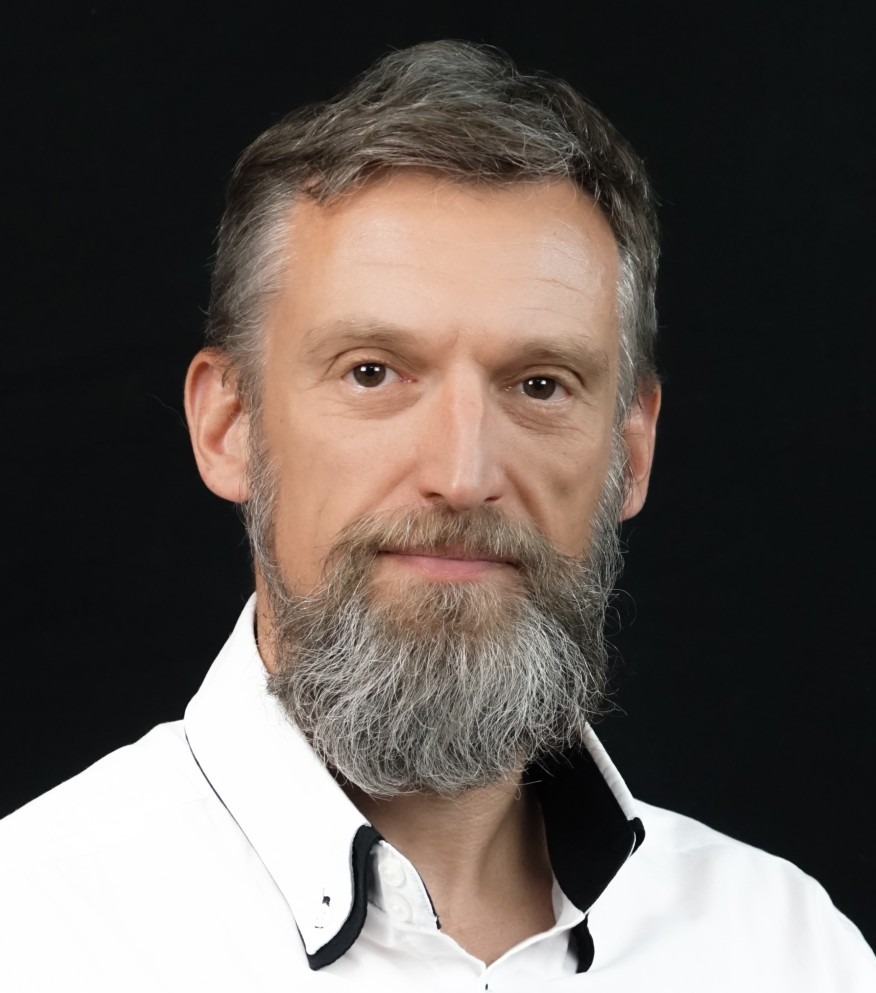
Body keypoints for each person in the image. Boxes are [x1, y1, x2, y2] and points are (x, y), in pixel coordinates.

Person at [0, 39, 872, 991]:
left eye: (540, 385)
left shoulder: (790, 949)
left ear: (631, 450)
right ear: (229, 426)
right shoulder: (37, 932)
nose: (462, 475)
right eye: (374, 372)